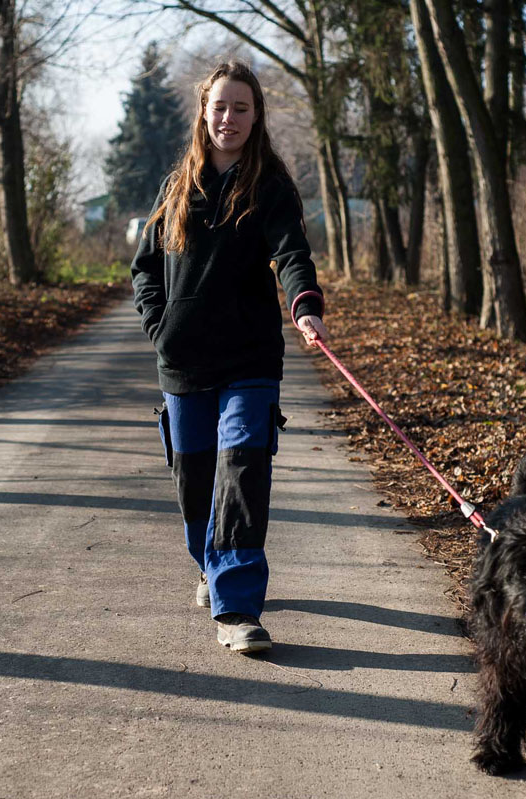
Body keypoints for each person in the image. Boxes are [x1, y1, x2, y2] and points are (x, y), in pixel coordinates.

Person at [130, 61, 327, 654]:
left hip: (249, 361)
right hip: (184, 362)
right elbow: (145, 270)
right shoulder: (176, 187)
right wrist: (159, 327)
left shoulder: (269, 187)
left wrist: (304, 305)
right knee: (194, 484)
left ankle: (237, 606)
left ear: (257, 115)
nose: (229, 118)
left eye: (242, 107)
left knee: (242, 468)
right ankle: (210, 565)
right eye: (220, 106)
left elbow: (292, 253)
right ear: (204, 112)